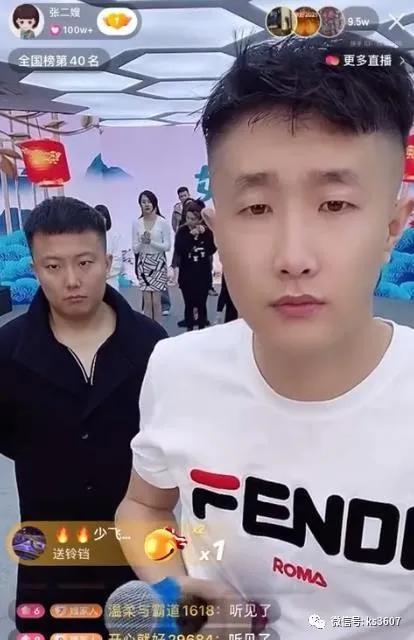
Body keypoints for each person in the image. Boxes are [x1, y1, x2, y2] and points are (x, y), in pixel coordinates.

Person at [116, 36, 414, 638]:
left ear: (392, 226)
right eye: (255, 209)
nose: (293, 257)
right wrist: (174, 586)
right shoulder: (177, 368)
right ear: (216, 228)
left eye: (335, 204)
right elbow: (144, 506)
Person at [0, 196, 167, 638]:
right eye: (53, 267)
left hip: (137, 547)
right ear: (35, 269)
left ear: (108, 262)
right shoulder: (8, 351)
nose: (72, 280)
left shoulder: (151, 345)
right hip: (49, 549)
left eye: (85, 262)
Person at [174, 199, 216, 331]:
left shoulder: (207, 232)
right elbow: (180, 250)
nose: (189, 221)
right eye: (188, 218)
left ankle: (202, 330)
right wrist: (191, 236)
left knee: (202, 305)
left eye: (193, 219)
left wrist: (205, 234)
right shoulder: (182, 231)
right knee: (189, 305)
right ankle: (190, 330)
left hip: (202, 275)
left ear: (200, 219)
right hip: (187, 275)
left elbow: (212, 249)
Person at [132, 190, 171, 324]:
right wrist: (142, 242)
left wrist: (151, 242)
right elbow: (135, 248)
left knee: (156, 302)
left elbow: (167, 246)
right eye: (143, 202)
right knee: (147, 302)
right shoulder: (137, 223)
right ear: (140, 205)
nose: (146, 204)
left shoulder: (162, 222)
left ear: (154, 203)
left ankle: (159, 331)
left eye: (149, 202)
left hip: (158, 263)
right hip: (143, 263)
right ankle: (148, 331)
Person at [95, 203, 123, 291]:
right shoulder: (89, 237)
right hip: (94, 280)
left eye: (102, 218)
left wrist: (106, 274)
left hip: (111, 280)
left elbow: (118, 259)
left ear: (107, 219)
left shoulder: (114, 236)